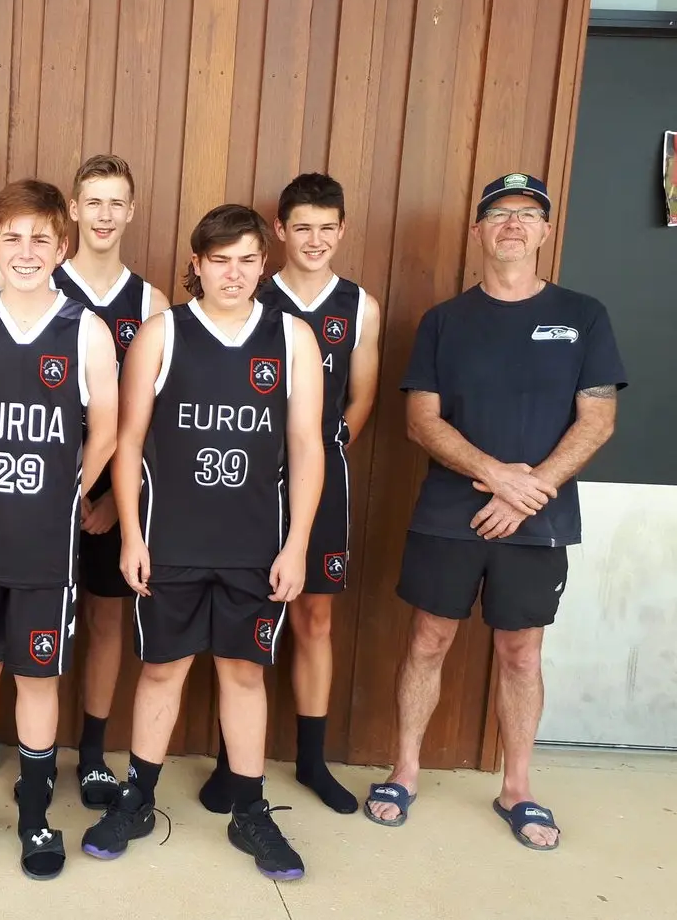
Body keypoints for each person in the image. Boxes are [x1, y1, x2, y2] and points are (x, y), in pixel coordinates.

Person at [364, 173, 625, 851]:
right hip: (449, 513)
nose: (513, 223)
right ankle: (404, 771)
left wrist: (529, 490)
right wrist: (497, 476)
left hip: (539, 517)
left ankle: (518, 787)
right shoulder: (444, 321)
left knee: (521, 651)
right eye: (500, 213)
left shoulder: (584, 315)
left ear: (545, 232)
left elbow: (597, 419)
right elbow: (421, 420)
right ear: (478, 230)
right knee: (428, 639)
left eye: (527, 214)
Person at [80, 204, 323, 882]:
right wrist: (131, 533)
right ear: (197, 264)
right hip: (172, 542)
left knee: (244, 673)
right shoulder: (162, 333)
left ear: (264, 263)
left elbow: (307, 445)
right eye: (220, 260)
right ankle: (136, 800)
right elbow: (128, 442)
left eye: (247, 260)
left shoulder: (291, 338)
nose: (234, 273)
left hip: (255, 544)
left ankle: (250, 810)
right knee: (163, 669)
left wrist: (298, 543)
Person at [0, 179, 118, 881]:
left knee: (37, 679)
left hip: (46, 548)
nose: (27, 251)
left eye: (41, 238)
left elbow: (108, 431)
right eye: (13, 238)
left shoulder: (86, 330)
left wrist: (65, 492)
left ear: (62, 245)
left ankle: (35, 814)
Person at [202, 173, 380, 815]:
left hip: (318, 480)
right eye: (301, 226)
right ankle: (231, 764)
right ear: (279, 230)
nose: (314, 239)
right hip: (244, 480)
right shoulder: (250, 291)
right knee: (234, 619)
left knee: (314, 618)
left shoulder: (358, 306)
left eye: (327, 227)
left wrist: (323, 448)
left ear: (342, 230)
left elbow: (360, 399)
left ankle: (311, 761)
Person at [50, 155, 169, 807]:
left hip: (110, 495)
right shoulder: (40, 280)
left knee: (104, 617)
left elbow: (152, 419)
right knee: (33, 614)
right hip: (41, 490)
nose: (103, 214)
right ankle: (33, 751)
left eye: (114, 202)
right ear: (73, 208)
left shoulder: (150, 303)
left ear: (131, 211)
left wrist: (118, 504)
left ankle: (93, 754)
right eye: (92, 201)